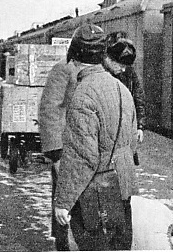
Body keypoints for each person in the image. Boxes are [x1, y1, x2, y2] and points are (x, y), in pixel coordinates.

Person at [54, 24, 138, 251]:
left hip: (96, 192)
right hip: (122, 185)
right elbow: (131, 141)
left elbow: (82, 156)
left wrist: (63, 202)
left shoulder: (83, 94)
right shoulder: (122, 89)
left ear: (74, 58)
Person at [38, 41, 83, 251]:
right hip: (66, 149)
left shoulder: (94, 72)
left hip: (84, 148)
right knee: (64, 200)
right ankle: (63, 244)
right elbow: (49, 110)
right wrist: (56, 153)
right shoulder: (63, 69)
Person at [104, 31, 146, 144]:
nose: (123, 70)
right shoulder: (101, 75)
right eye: (121, 65)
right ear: (110, 60)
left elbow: (138, 98)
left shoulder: (129, 72)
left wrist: (140, 126)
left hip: (125, 129)